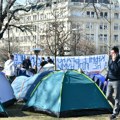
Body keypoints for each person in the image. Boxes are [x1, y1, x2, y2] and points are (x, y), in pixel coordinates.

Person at [105, 46, 120, 119]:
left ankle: (115, 114)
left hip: (117, 80)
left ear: (116, 53)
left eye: (112, 53)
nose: (111, 54)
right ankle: (118, 107)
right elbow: (109, 70)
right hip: (110, 80)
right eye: (111, 53)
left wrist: (114, 61)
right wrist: (106, 79)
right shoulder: (110, 59)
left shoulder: (119, 60)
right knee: (108, 96)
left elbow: (116, 70)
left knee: (117, 97)